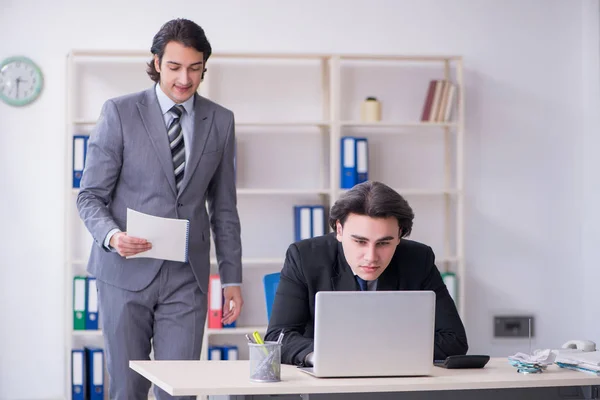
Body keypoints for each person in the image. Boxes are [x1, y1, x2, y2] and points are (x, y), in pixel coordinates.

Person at [77, 18, 243, 400]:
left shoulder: (220, 120)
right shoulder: (119, 112)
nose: (184, 78)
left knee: (181, 391)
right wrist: (112, 236)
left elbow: (224, 208)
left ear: (204, 67)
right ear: (156, 62)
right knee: (127, 389)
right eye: (174, 67)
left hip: (187, 277)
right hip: (124, 272)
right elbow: (89, 196)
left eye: (194, 68)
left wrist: (232, 278)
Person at [265, 181, 468, 366]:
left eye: (384, 243)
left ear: (400, 236)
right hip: (326, 381)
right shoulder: (304, 257)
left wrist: (368, 353)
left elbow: (454, 339)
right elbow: (277, 337)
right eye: (360, 241)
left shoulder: (418, 259)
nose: (371, 256)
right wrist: (320, 356)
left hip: (396, 381)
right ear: (339, 230)